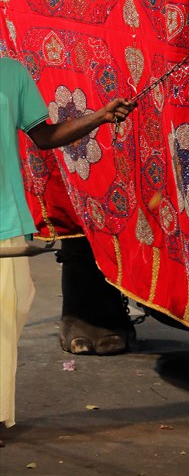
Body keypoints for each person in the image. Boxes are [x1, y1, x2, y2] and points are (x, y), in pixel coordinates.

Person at [0, 57, 136, 440]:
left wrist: (99, 117)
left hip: (4, 219)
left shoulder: (11, 73)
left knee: (4, 323)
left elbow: (43, 137)